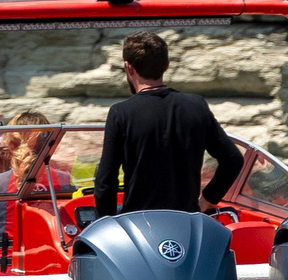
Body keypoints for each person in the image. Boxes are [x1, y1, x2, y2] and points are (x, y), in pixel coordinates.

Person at [94, 32, 241, 220]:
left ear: (128, 68)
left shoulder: (121, 113)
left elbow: (105, 182)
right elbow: (233, 160)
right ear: (166, 65)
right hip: (187, 222)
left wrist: (107, 225)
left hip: (140, 224)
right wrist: (207, 200)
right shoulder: (196, 105)